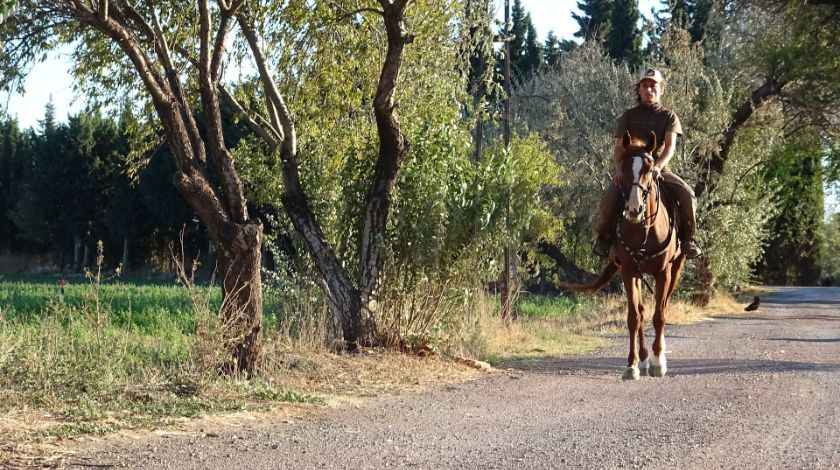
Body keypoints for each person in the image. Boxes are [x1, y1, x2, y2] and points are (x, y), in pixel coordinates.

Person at [593, 68, 702, 260]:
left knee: (688, 196)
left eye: (653, 86)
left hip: (659, 170)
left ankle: (688, 239)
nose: (649, 90)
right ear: (639, 90)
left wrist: (658, 167)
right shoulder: (628, 116)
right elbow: (619, 148)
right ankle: (604, 239)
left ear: (661, 89)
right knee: (608, 200)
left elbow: (670, 147)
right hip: (630, 172)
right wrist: (618, 170)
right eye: (645, 86)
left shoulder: (669, 116)